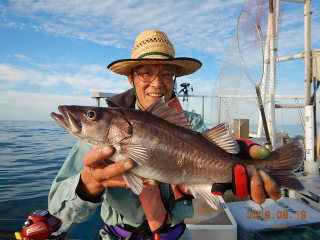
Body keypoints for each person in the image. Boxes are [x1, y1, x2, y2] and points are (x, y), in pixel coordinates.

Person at [48, 30, 281, 240]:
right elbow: (59, 209)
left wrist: (237, 156)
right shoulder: (93, 141)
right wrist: (89, 182)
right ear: (131, 78)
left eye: (167, 74)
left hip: (177, 235)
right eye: (146, 73)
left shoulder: (192, 123)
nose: (157, 84)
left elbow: (211, 150)